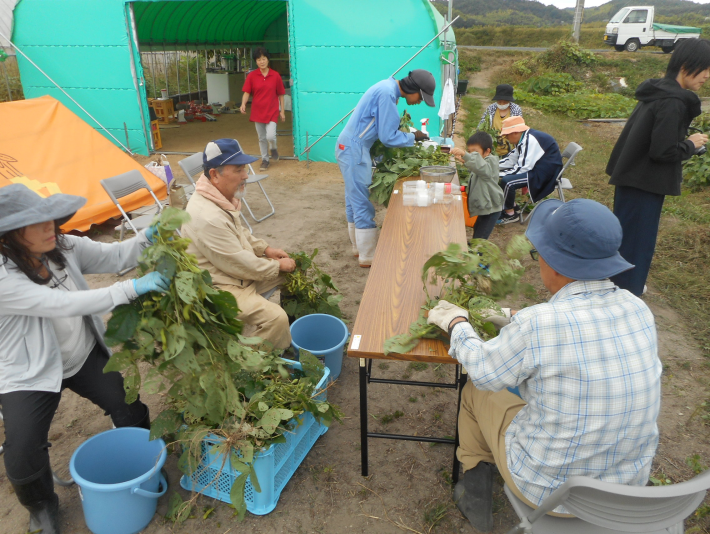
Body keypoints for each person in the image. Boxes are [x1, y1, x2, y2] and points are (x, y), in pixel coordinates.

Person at [426, 198, 661, 532]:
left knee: (476, 390)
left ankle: (475, 486)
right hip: (624, 489)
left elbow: (482, 368)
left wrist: (457, 323)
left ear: (554, 262)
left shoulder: (539, 325)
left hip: (549, 490)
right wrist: (511, 317)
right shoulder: (638, 309)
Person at [0, 184, 172, 534]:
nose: (51, 226)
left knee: (125, 401)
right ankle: (41, 506)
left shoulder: (62, 247)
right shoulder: (3, 276)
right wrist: (129, 289)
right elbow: (60, 304)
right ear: (11, 235)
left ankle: (146, 463)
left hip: (81, 354)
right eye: (38, 223)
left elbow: (116, 257)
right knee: (22, 447)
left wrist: (147, 239)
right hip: (28, 373)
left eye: (51, 218)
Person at [607, 38, 710, 297]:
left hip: (632, 178)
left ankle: (619, 287)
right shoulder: (673, 102)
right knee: (638, 243)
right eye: (705, 68)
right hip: (644, 183)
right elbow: (662, 151)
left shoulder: (658, 92)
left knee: (626, 238)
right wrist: (690, 143)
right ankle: (626, 294)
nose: (707, 76)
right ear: (686, 66)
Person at [182, 138, 295, 349]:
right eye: (239, 170)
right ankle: (251, 368)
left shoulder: (220, 197)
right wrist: (277, 265)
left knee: (294, 271)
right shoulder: (207, 215)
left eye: (244, 169)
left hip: (238, 275)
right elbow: (240, 263)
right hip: (220, 287)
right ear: (215, 174)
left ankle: (291, 332)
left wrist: (265, 249)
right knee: (276, 318)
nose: (246, 176)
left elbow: (239, 232)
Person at [336, 69, 435, 268]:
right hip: (354, 148)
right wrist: (413, 136)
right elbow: (388, 137)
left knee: (353, 197)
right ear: (412, 88)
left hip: (352, 146)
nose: (419, 101)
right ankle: (367, 256)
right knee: (361, 199)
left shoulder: (387, 88)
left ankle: (359, 249)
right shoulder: (387, 93)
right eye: (421, 97)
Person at [498, 116, 562, 224]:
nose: (506, 138)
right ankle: (513, 206)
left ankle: (510, 214)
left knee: (507, 181)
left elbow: (523, 168)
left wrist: (498, 174)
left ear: (515, 132)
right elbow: (511, 159)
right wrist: (488, 167)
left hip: (545, 174)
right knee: (506, 177)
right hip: (538, 168)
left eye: (507, 135)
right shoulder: (523, 138)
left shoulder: (529, 140)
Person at [240, 47, 286, 171]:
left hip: (272, 111)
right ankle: (265, 160)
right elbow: (246, 92)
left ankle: (273, 147)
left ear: (268, 60)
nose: (262, 61)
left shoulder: (275, 75)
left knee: (270, 136)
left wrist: (282, 111)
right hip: (257, 111)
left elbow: (281, 94)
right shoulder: (252, 76)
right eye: (259, 59)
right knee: (261, 138)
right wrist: (243, 104)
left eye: (264, 59)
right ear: (256, 61)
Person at [451, 131, 503, 240]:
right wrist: (465, 160)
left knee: (480, 238)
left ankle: (478, 254)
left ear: (487, 151)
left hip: (491, 208)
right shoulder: (482, 162)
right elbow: (477, 167)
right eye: (470, 152)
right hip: (485, 206)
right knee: (478, 229)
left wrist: (466, 155)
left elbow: (482, 168)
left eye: (475, 152)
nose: (472, 155)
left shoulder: (491, 162)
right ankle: (475, 248)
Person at [478, 84, 523, 156]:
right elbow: (482, 124)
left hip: (509, 149)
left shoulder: (516, 110)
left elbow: (519, 129)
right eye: (499, 102)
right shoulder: (491, 108)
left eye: (505, 102)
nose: (502, 104)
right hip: (493, 148)